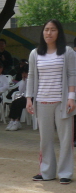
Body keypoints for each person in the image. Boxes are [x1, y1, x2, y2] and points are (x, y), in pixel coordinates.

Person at [26, 19, 76, 184]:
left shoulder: (67, 52)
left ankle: (65, 173)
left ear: (59, 32)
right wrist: (29, 98)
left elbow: (72, 75)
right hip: (42, 102)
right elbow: (32, 76)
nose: (49, 33)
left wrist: (71, 98)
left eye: (53, 30)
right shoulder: (35, 53)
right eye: (46, 29)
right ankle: (46, 172)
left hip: (62, 103)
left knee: (66, 139)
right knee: (45, 139)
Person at [6, 65, 29, 131]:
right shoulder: (24, 81)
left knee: (19, 103)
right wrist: (24, 81)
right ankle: (12, 120)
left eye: (25, 73)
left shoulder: (33, 80)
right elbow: (21, 90)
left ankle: (17, 121)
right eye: (23, 73)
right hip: (24, 97)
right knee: (14, 102)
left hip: (31, 98)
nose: (24, 74)